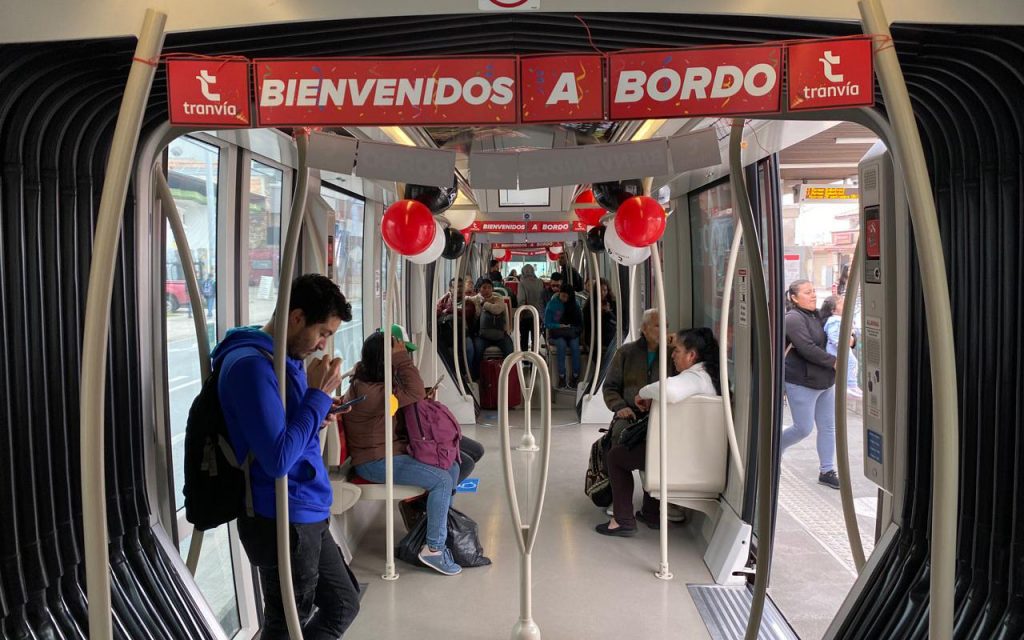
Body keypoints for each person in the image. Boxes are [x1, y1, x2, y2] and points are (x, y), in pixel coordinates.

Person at [216, 273, 360, 638]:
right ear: (296, 318)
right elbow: (277, 459)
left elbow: (292, 429)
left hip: (306, 505)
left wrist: (318, 411)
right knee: (286, 625)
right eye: (323, 333)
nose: (323, 345)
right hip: (282, 514)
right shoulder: (252, 367)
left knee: (344, 601)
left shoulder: (287, 359)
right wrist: (317, 397)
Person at [344, 328, 463, 575]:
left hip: (390, 451)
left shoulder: (376, 383)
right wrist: (402, 360)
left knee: (450, 466)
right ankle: (434, 549)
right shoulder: (370, 391)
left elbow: (409, 396)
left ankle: (430, 528)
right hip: (375, 460)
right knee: (442, 481)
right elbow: (415, 393)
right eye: (395, 355)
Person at [596, 328, 721, 536]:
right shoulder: (709, 377)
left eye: (677, 351)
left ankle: (622, 520)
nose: (672, 354)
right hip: (697, 453)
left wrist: (641, 394)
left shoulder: (695, 378)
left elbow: (669, 390)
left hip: (684, 460)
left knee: (617, 456)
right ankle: (651, 513)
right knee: (650, 446)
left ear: (692, 355)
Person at [782, 280, 840, 489]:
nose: (813, 295)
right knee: (803, 428)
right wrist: (834, 362)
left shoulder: (816, 315)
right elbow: (806, 348)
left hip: (825, 380)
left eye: (814, 291)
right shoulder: (793, 318)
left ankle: (827, 470)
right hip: (802, 381)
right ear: (794, 298)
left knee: (828, 427)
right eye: (807, 292)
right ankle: (774, 449)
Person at [436, 278, 477, 387]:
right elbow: (436, 313)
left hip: (462, 334)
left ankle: (469, 373)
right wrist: (444, 302)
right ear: (450, 288)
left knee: (469, 348)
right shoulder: (444, 301)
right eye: (455, 287)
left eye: (461, 286)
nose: (458, 289)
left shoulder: (468, 302)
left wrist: (449, 309)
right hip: (447, 335)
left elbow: (467, 313)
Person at [471, 280, 514, 379]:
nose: (486, 290)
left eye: (489, 288)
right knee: (477, 350)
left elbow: (497, 309)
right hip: (482, 335)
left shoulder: (498, 299)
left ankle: (508, 376)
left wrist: (485, 304)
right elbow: (466, 299)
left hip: (499, 334)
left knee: (509, 350)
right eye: (484, 287)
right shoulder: (476, 299)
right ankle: (477, 377)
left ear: (492, 289)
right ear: (479, 289)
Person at [544, 282, 583, 389]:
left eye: (566, 296)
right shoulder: (552, 305)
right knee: (561, 345)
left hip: (571, 332)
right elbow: (547, 323)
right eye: (562, 295)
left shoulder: (575, 306)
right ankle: (562, 376)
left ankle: (575, 376)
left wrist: (572, 329)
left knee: (575, 347)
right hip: (557, 333)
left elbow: (579, 324)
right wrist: (559, 325)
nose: (563, 298)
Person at [821, 295, 862, 396]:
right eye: (841, 303)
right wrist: (839, 342)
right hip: (837, 348)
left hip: (842, 347)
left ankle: (851, 384)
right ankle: (850, 385)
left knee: (852, 363)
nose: (844, 304)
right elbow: (834, 334)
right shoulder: (834, 320)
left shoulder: (841, 319)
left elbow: (851, 338)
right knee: (850, 363)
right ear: (833, 310)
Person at [516, 264, 545, 352]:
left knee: (524, 337)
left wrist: (520, 314)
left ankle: (525, 358)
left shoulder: (522, 283)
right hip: (538, 314)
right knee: (535, 337)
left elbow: (521, 300)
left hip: (526, 314)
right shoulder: (540, 282)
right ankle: (535, 357)